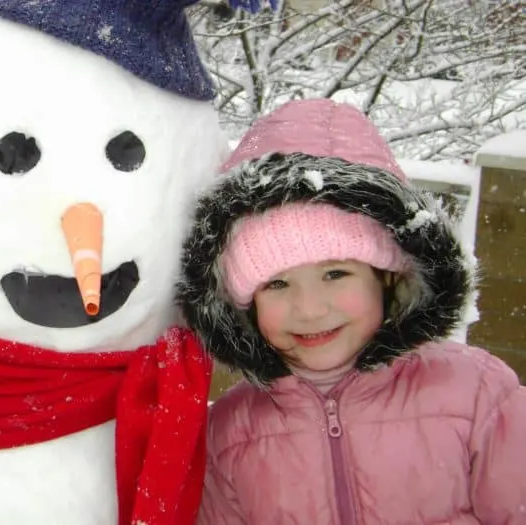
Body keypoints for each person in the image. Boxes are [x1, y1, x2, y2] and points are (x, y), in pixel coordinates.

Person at [178, 98, 526, 524]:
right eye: (277, 284)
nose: (308, 309)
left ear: (388, 276)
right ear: (243, 305)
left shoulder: (477, 395)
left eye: (336, 274)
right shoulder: (231, 431)